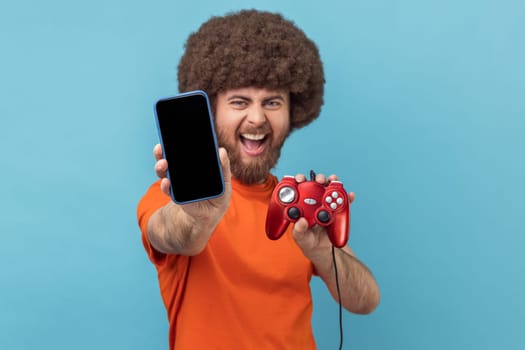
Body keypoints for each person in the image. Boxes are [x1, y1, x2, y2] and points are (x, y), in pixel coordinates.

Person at [137, 9, 380, 349]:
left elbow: (365, 300)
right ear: (212, 110)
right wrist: (197, 219)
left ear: (291, 111)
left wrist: (325, 252)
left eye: (272, 102)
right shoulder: (174, 197)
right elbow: (173, 234)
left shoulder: (296, 205)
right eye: (239, 102)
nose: (256, 118)